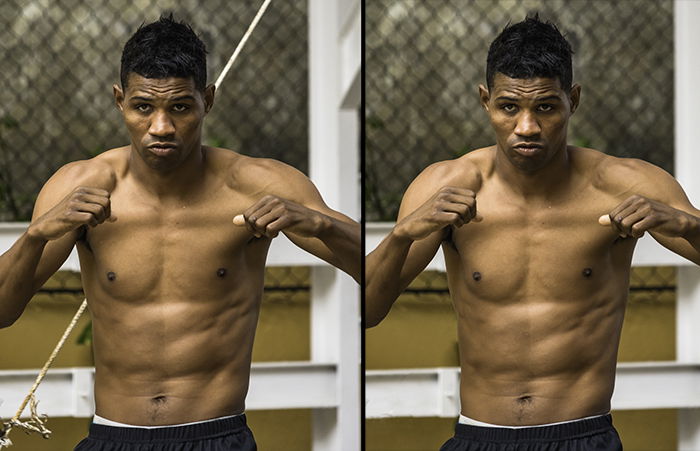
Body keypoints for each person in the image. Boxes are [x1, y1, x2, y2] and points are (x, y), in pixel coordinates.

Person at [0, 15, 360, 451]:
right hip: (114, 437)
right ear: (119, 100)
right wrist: (36, 236)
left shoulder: (258, 184)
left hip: (217, 436)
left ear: (207, 99)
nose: (161, 128)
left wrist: (319, 222)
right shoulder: (80, 186)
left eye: (180, 107)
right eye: (143, 107)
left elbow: (375, 273)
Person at [366, 14, 700, 451]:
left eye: (545, 106)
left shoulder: (623, 184)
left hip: (583, 436)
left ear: (572, 100)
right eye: (509, 107)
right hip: (479, 436)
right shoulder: (445, 185)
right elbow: (367, 311)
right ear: (485, 100)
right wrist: (401, 236)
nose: (527, 127)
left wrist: (688, 224)